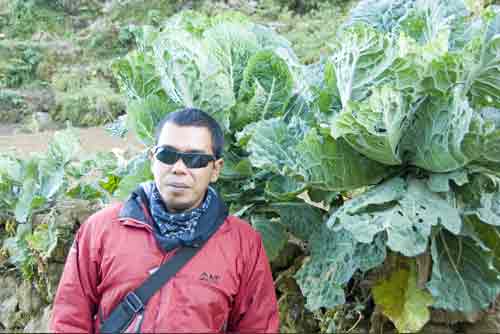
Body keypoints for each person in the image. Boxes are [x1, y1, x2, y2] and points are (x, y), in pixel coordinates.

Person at [50, 108, 279, 333]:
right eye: (167, 155)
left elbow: (258, 326)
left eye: (195, 159)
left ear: (216, 169)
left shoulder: (242, 244)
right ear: (152, 159)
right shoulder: (101, 229)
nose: (179, 168)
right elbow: (69, 320)